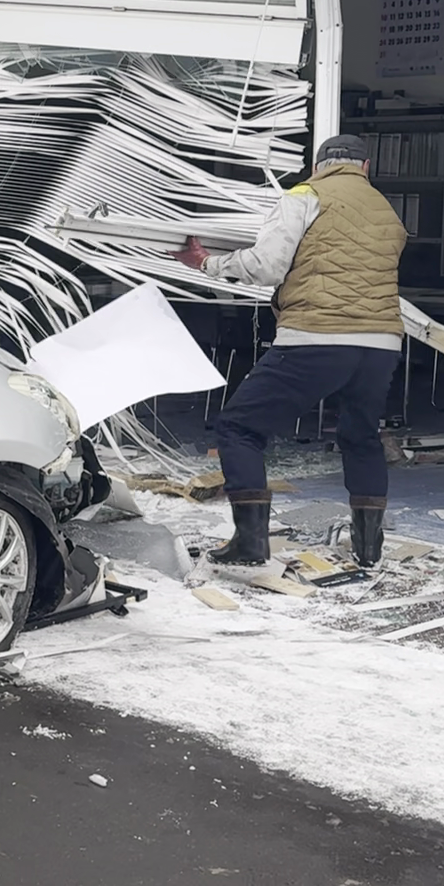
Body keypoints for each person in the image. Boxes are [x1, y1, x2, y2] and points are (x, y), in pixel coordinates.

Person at [175, 135, 407, 568]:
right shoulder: (386, 210)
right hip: (381, 344)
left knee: (239, 428)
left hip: (317, 335)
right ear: (366, 167)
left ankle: (250, 543)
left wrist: (206, 263)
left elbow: (267, 266)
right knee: (361, 437)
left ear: (318, 166)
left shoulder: (305, 195)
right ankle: (369, 549)